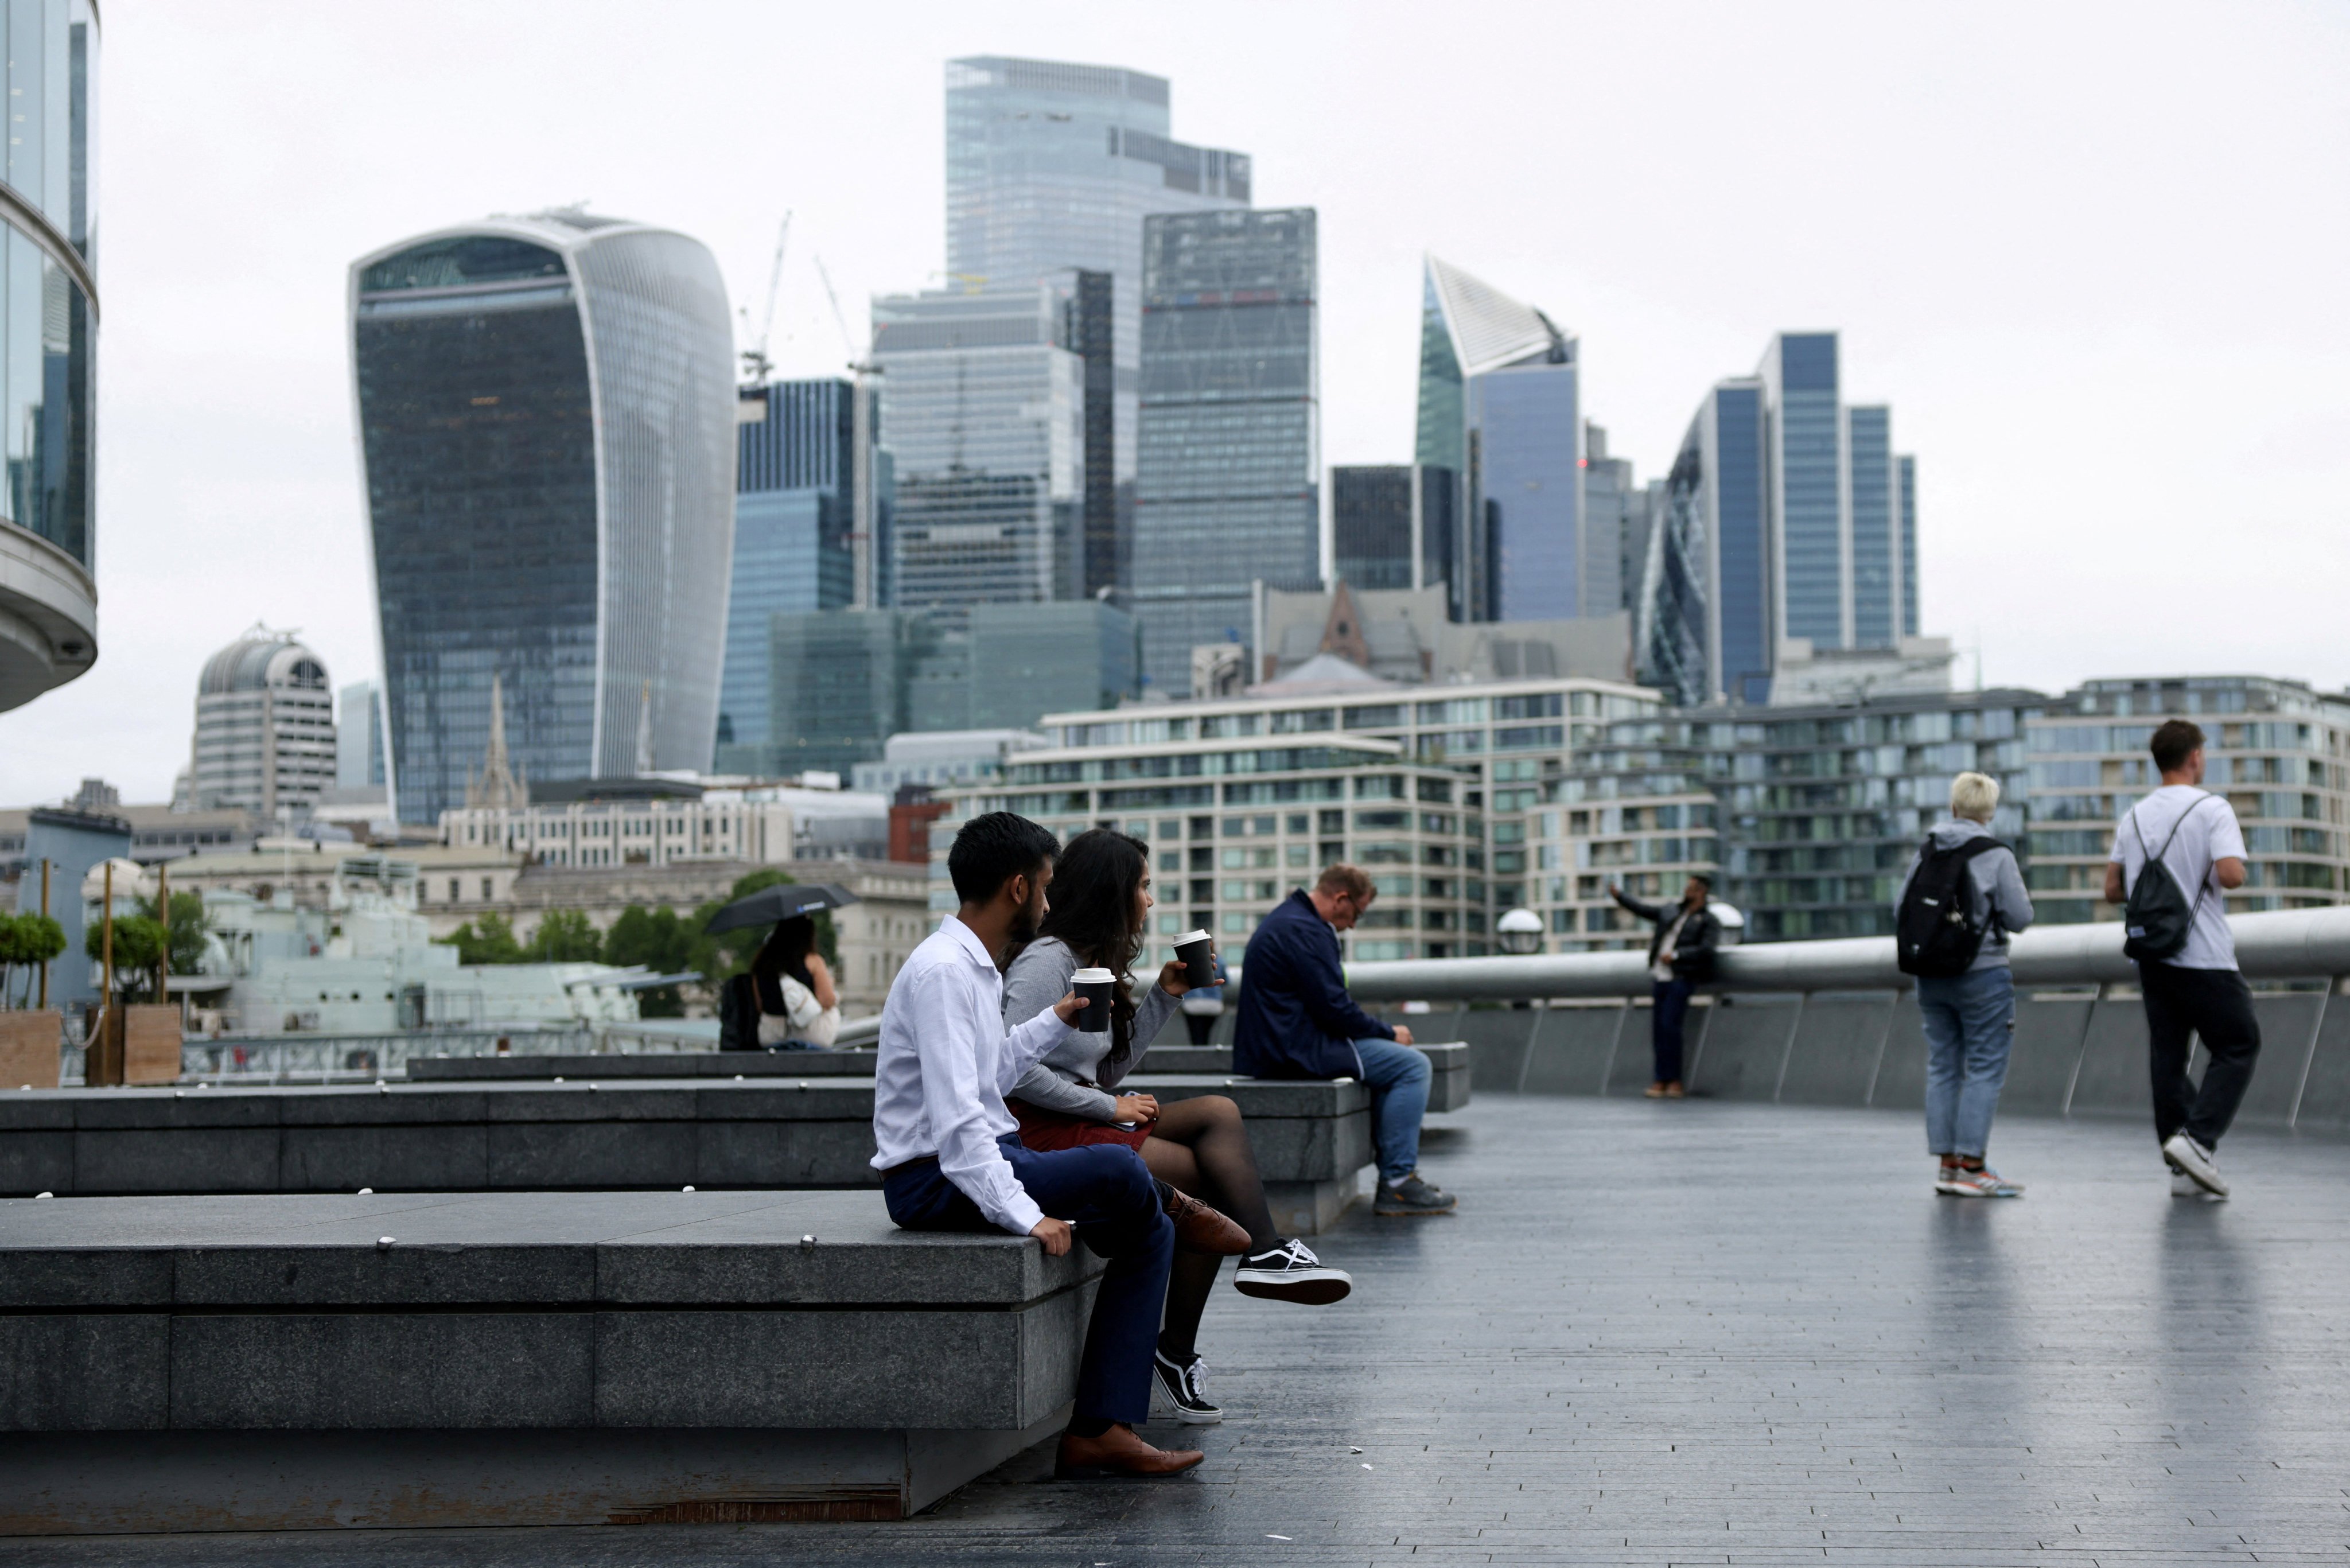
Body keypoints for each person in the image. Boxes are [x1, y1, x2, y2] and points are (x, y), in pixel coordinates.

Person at [873, 812, 1208, 1478]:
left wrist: (1051, 1024)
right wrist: (1024, 1215)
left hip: (977, 1161)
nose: (1052, 904)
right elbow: (959, 1126)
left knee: (1149, 1227)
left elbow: (992, 1072)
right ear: (1020, 889)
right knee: (1121, 1170)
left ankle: (1103, 1429)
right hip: (933, 1179)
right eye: (1048, 888)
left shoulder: (975, 967)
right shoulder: (943, 973)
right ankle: (1102, 1427)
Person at [1002, 830, 1353, 1426]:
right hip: (1037, 1133)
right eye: (1143, 886)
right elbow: (1007, 1068)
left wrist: (1165, 996)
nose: (1150, 900)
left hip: (1076, 1114)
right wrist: (1108, 1110)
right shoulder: (1048, 959)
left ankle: (1261, 1254)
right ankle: (1182, 1343)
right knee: (1204, 1182)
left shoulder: (1089, 960)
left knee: (1218, 1112)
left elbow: (1103, 1066)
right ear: (1112, 891)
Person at [1234, 865, 1456, 1217]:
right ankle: (1398, 1182)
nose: (1353, 924)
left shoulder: (1288, 919)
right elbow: (1335, 1009)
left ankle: (1396, 1174)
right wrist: (1389, 1032)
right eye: (1357, 914)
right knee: (1413, 1065)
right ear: (1341, 899)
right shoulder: (1306, 929)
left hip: (1277, 1045)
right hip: (1297, 1049)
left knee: (1396, 1062)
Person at [2102, 719, 2258, 1199]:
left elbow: (2112, 889)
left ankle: (2181, 1166)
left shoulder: (2133, 816)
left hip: (2153, 956)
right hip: (2204, 954)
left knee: (2169, 1056)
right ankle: (2197, 1139)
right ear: (2194, 757)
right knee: (2238, 1043)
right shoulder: (2213, 808)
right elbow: (2231, 875)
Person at [1893, 772, 2034, 1197]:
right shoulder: (1995, 854)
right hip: (1983, 974)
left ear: (1954, 808)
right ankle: (1974, 1164)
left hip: (1931, 976)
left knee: (1943, 1064)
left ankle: (1949, 1166)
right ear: (1989, 813)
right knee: (1986, 1066)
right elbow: (2021, 917)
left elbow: (1901, 906)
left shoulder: (1928, 850)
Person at [1608, 876, 1722, 1099]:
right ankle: (1661, 1080)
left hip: (1681, 977)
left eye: (1690, 887)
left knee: (1671, 1027)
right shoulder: (1672, 912)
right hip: (1661, 976)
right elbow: (1644, 911)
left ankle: (1674, 1081)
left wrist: (1678, 956)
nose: (1686, 891)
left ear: (1701, 891)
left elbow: (1708, 949)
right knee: (1659, 1030)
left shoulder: (1708, 920)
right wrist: (1621, 898)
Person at [750, 916, 840, 1048]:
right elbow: (826, 1001)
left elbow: (759, 1005)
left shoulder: (762, 963)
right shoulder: (813, 961)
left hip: (770, 1035)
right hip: (809, 1034)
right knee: (833, 1010)